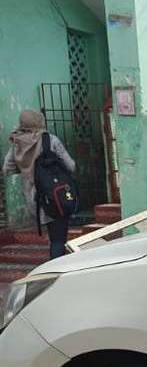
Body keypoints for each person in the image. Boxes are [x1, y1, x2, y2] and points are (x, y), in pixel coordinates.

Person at [3, 109, 76, 259]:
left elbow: (7, 169)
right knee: (58, 239)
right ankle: (57, 272)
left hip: (33, 197)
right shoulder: (50, 140)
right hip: (55, 193)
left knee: (53, 236)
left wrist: (26, 168)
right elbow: (71, 165)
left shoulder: (17, 142)